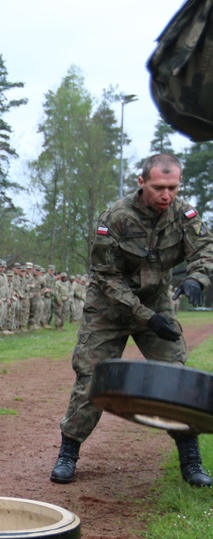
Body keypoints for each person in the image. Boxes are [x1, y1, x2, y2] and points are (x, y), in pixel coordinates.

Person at [51, 153, 213, 488]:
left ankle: (191, 460)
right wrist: (145, 317)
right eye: (158, 187)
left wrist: (198, 278)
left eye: (172, 187)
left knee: (176, 379)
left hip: (157, 302)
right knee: (91, 377)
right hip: (109, 307)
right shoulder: (115, 217)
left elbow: (205, 250)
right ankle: (68, 453)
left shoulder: (184, 214)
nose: (166, 195)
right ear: (142, 183)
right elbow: (106, 277)